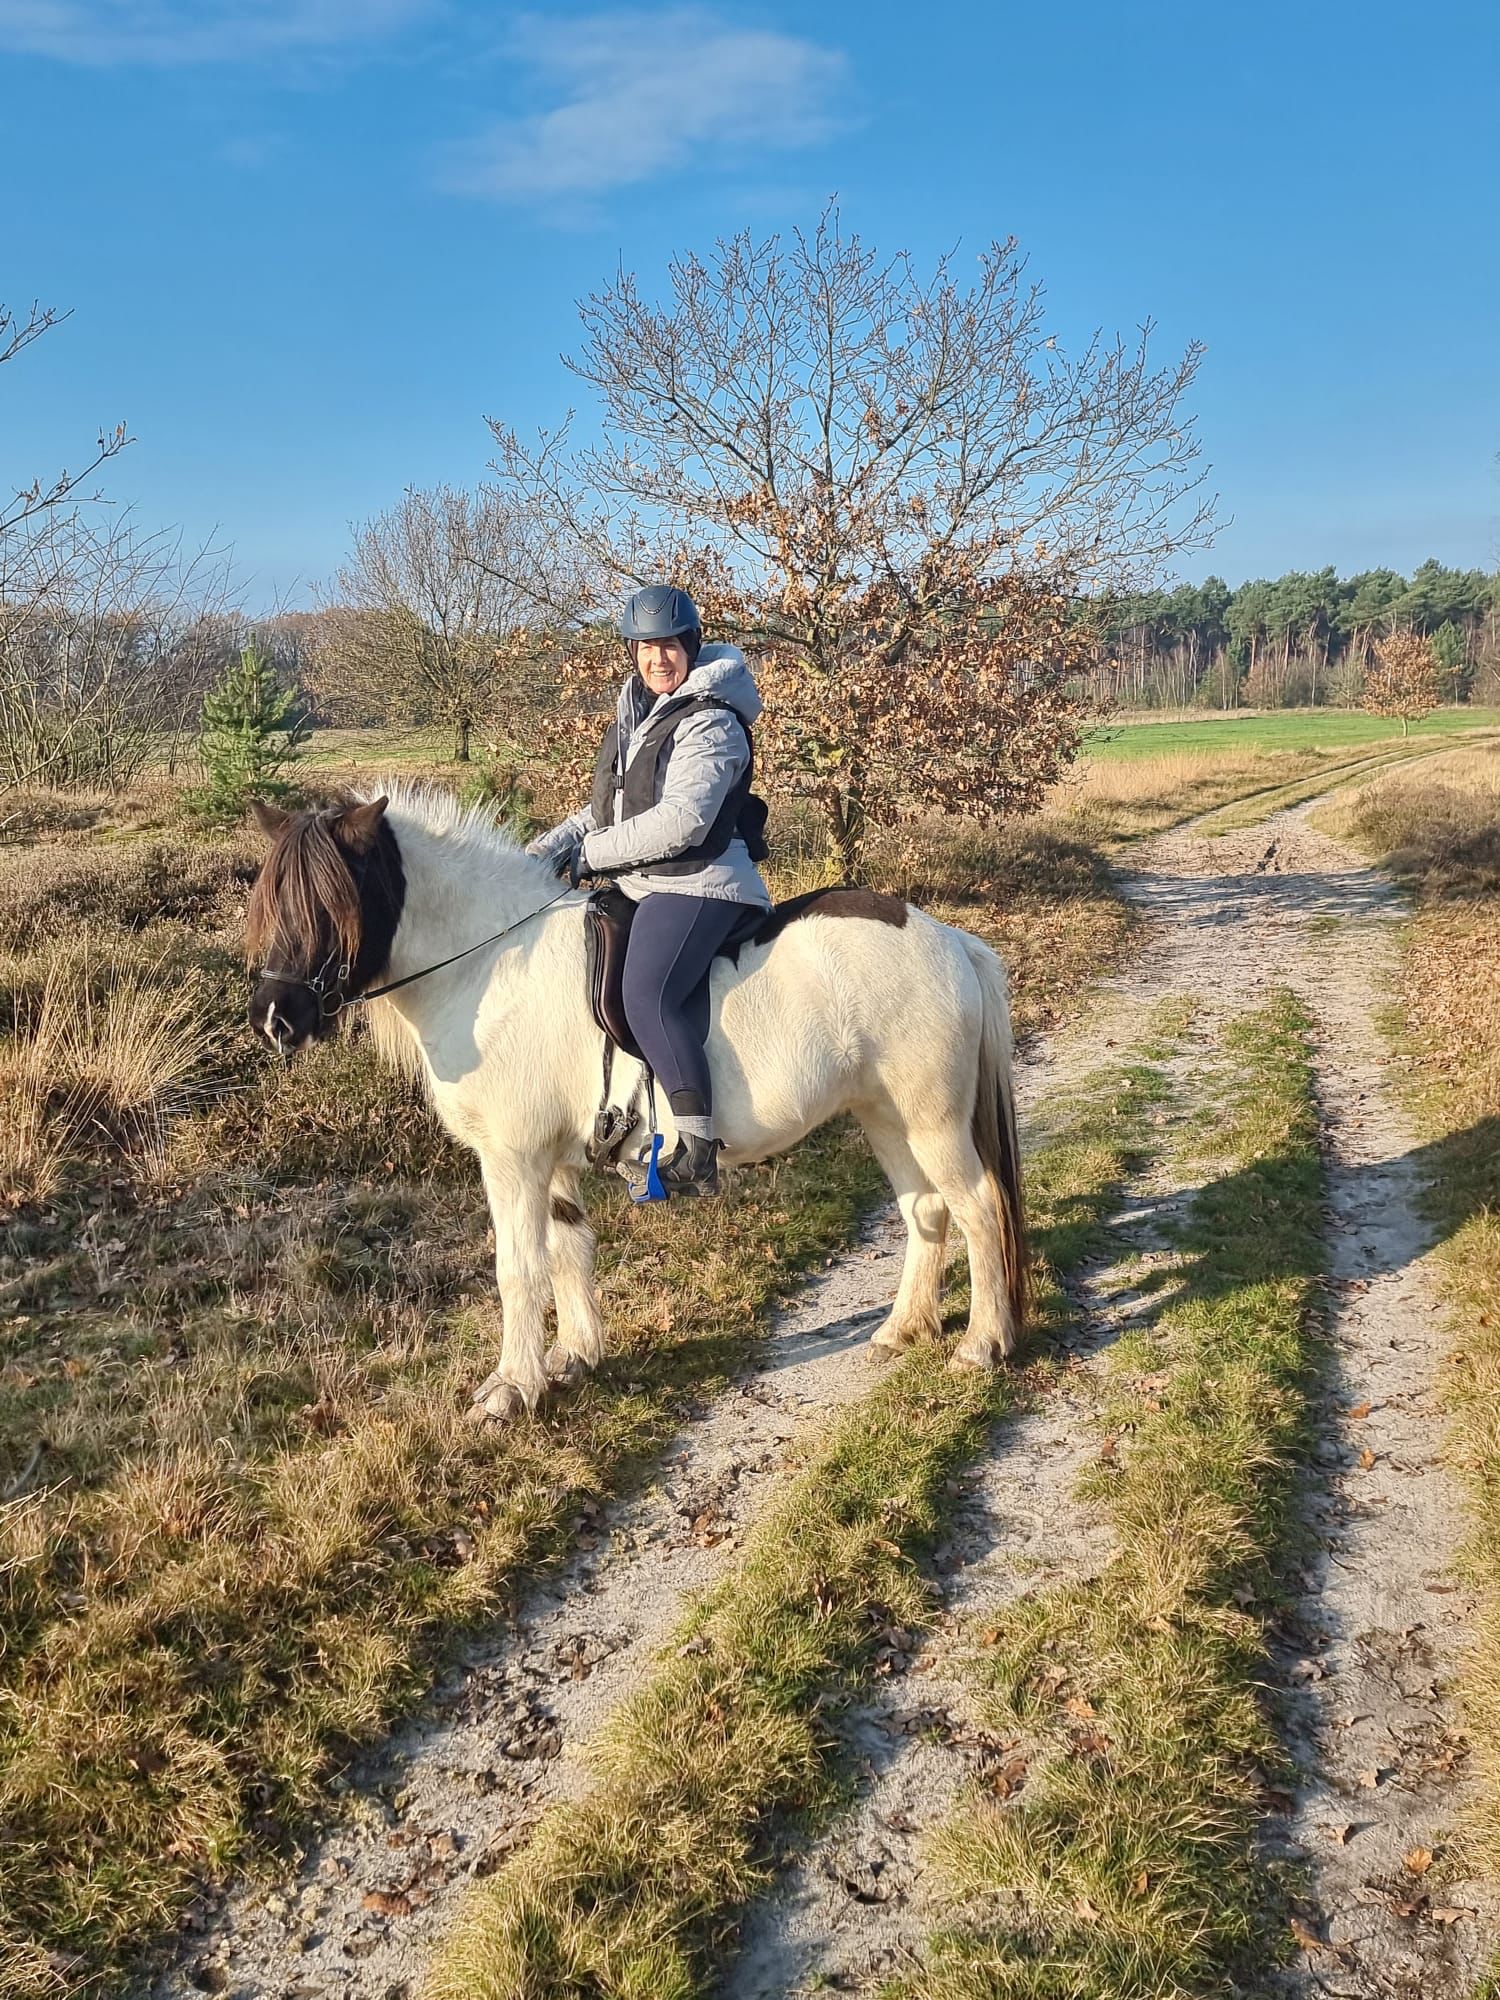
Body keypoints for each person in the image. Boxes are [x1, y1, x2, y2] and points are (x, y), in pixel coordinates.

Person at [526, 585, 771, 1197]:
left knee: (645, 992)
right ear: (632, 652)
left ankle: (696, 1151)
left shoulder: (711, 720)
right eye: (645, 647)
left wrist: (589, 856)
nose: (658, 658)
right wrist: (540, 854)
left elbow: (683, 820)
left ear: (689, 645)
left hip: (702, 883)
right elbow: (606, 811)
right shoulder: (637, 717)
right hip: (646, 880)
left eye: (668, 645)